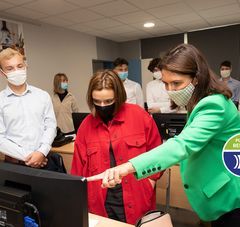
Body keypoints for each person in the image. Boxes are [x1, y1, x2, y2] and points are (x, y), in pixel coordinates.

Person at [88, 44, 240, 227]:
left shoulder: (214, 105)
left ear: (197, 78)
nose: (170, 90)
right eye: (166, 84)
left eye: (176, 83)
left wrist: (126, 167)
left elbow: (181, 145)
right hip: (216, 199)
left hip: (229, 201)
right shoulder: (202, 102)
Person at [71, 70, 163, 224]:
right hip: (100, 203)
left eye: (108, 101)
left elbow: (158, 154)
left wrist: (151, 181)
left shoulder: (140, 116)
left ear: (118, 97)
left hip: (137, 197)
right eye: (97, 101)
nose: (102, 106)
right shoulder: (86, 126)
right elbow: (77, 171)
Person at [0, 48, 56, 168]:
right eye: (10, 68)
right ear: (2, 72)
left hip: (44, 161)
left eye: (20, 66)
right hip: (15, 165)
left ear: (25, 66)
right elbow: (0, 138)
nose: (16, 71)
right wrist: (30, 157)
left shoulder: (42, 96)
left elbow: (51, 126)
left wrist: (41, 152)